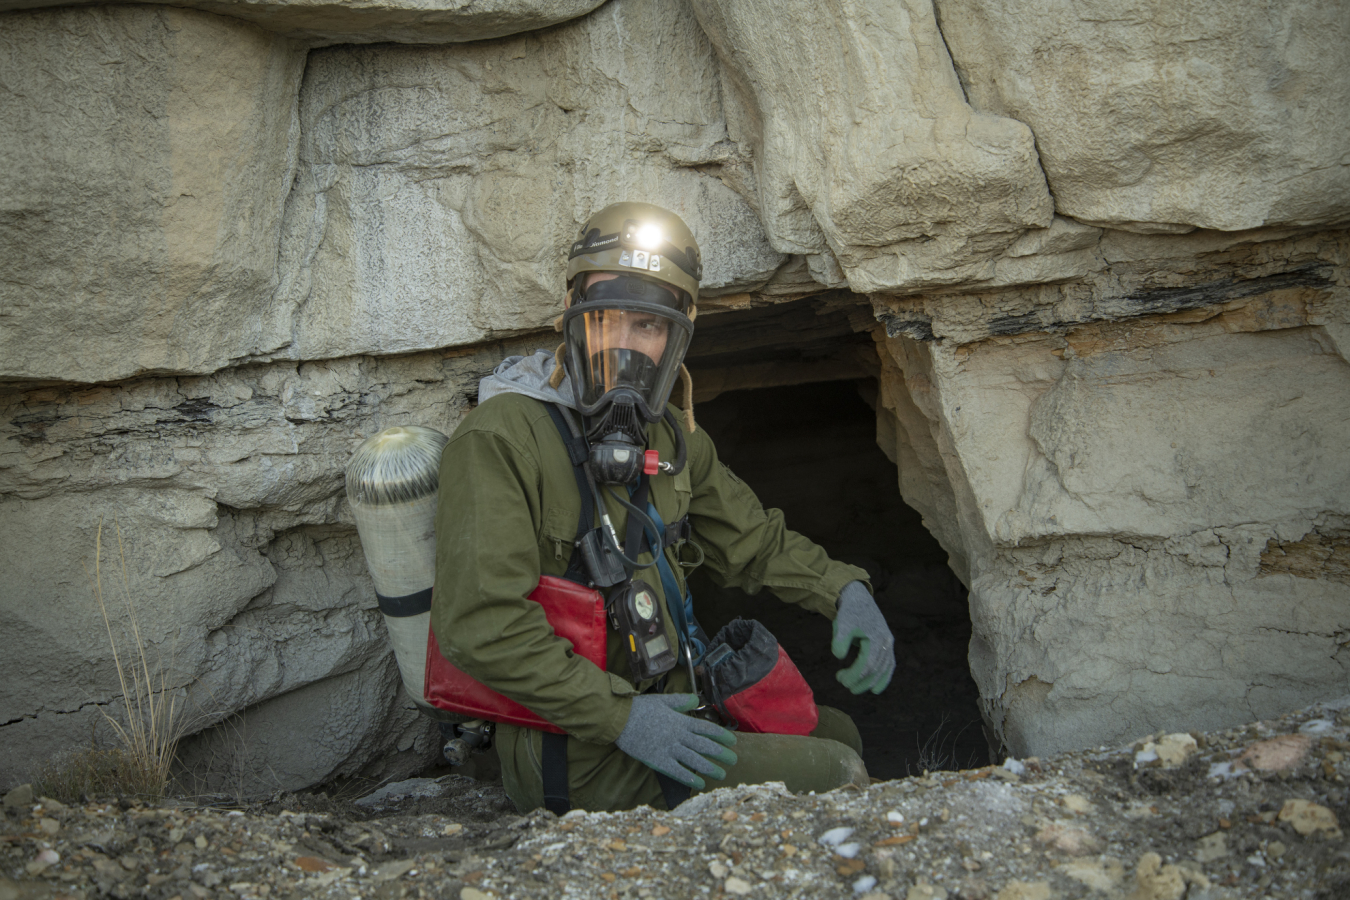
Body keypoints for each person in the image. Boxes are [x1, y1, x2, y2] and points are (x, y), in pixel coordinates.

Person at [432, 202, 896, 813]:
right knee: (834, 771)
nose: (625, 346)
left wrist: (844, 590)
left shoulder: (673, 437)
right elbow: (480, 628)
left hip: (675, 703)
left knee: (839, 734)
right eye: (606, 320)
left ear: (676, 337)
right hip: (575, 749)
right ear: (571, 319)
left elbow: (753, 541)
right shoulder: (502, 436)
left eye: (647, 327)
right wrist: (621, 717)